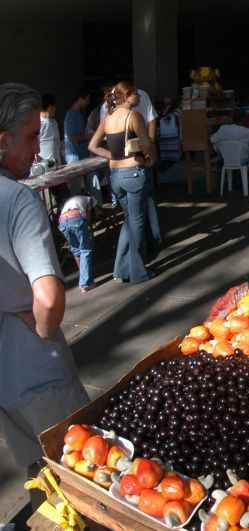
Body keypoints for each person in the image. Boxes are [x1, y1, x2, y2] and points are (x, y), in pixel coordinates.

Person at [0, 82, 89, 478]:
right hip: (38, 372)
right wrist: (39, 326)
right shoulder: (18, 200)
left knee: (40, 478)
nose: (38, 148)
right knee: (81, 471)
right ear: (3, 141)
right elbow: (50, 299)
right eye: (32, 137)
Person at [89, 81, 157, 284]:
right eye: (135, 94)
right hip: (134, 173)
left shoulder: (108, 117)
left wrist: (113, 155)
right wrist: (150, 158)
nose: (138, 97)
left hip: (115, 175)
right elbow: (146, 143)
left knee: (128, 221)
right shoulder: (132, 116)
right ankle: (138, 272)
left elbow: (93, 145)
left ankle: (121, 268)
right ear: (126, 96)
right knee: (137, 223)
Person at [58, 194, 97, 293]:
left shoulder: (75, 200)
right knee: (85, 250)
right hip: (76, 218)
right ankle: (85, 283)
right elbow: (88, 217)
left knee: (76, 251)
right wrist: (89, 225)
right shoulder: (90, 200)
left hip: (62, 221)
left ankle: (84, 276)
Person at [37, 93, 62, 166]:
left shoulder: (54, 123)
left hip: (57, 165)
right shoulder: (38, 123)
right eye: (54, 106)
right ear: (50, 107)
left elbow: (57, 145)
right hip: (43, 167)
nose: (55, 109)